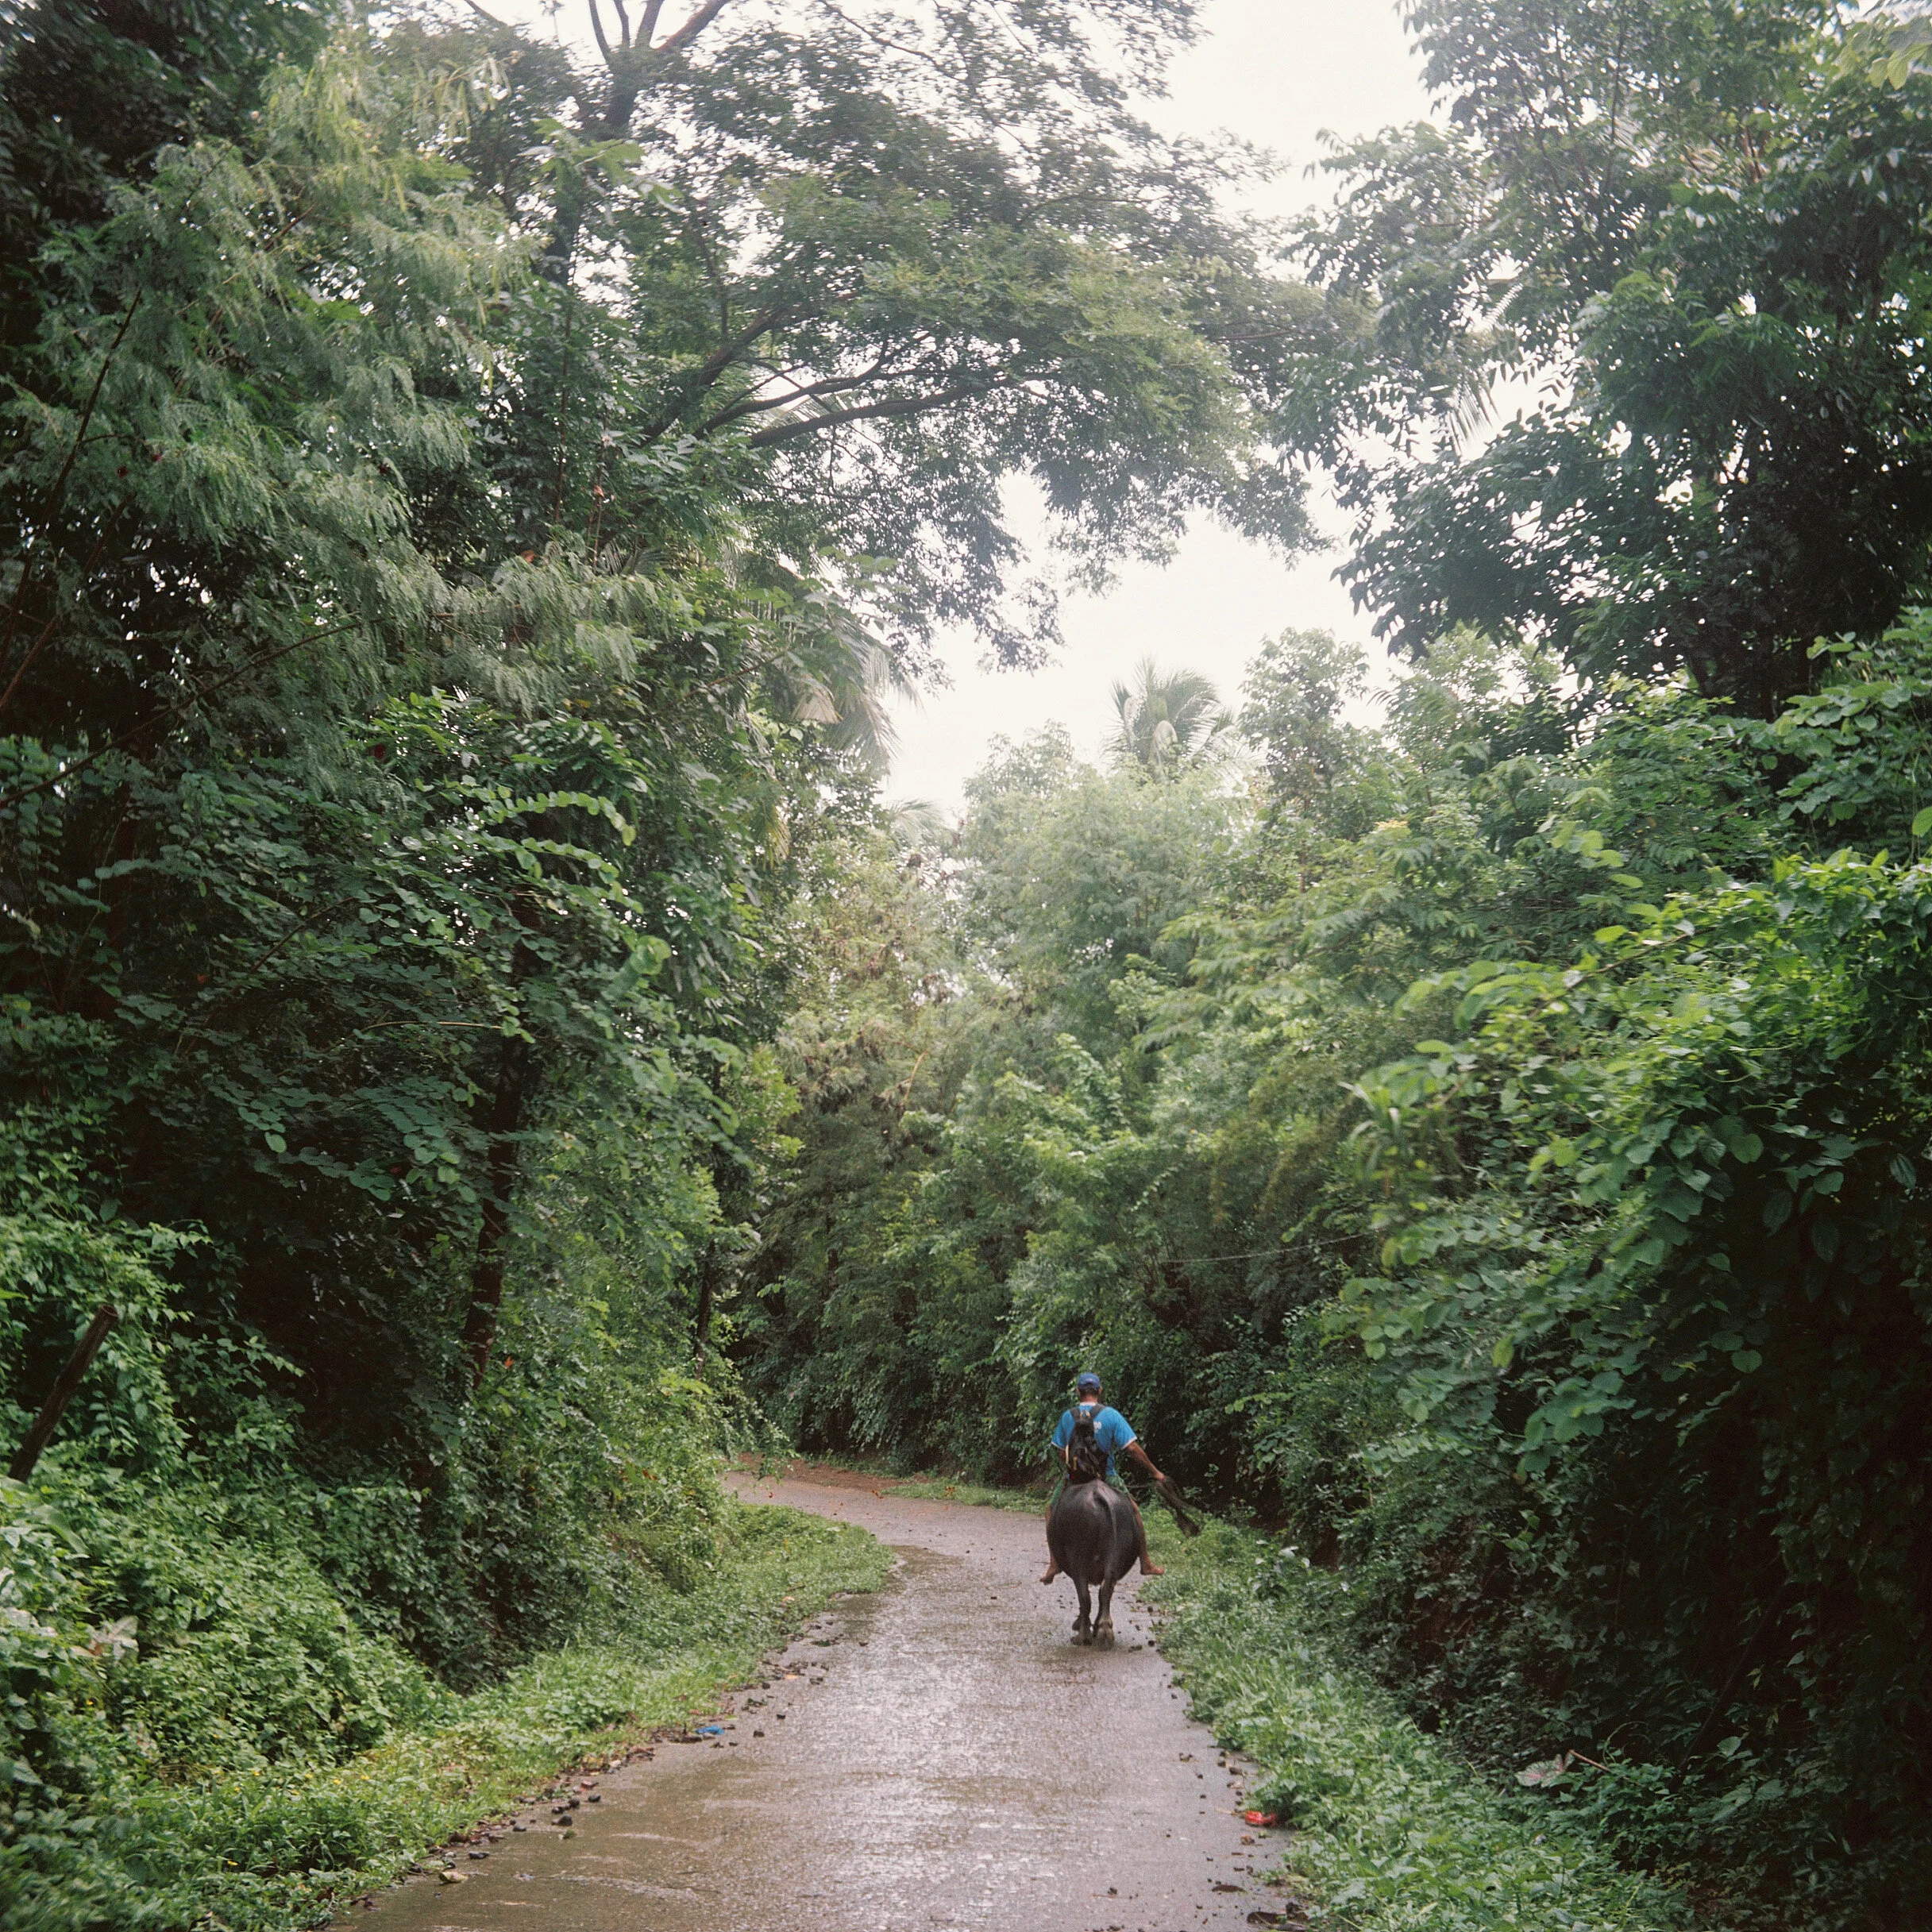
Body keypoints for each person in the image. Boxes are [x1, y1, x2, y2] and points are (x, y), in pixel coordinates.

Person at [1038, 1371, 1166, 1583]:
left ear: (1078, 1392)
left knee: (1051, 1510)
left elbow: (1060, 1452)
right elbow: (1132, 1448)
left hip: (1075, 1479)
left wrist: (1075, 1465)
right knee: (1133, 1510)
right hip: (1107, 1477)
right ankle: (1145, 1562)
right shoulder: (1112, 1415)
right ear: (1099, 1391)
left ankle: (1054, 1563)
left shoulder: (1067, 1416)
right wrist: (1155, 1472)